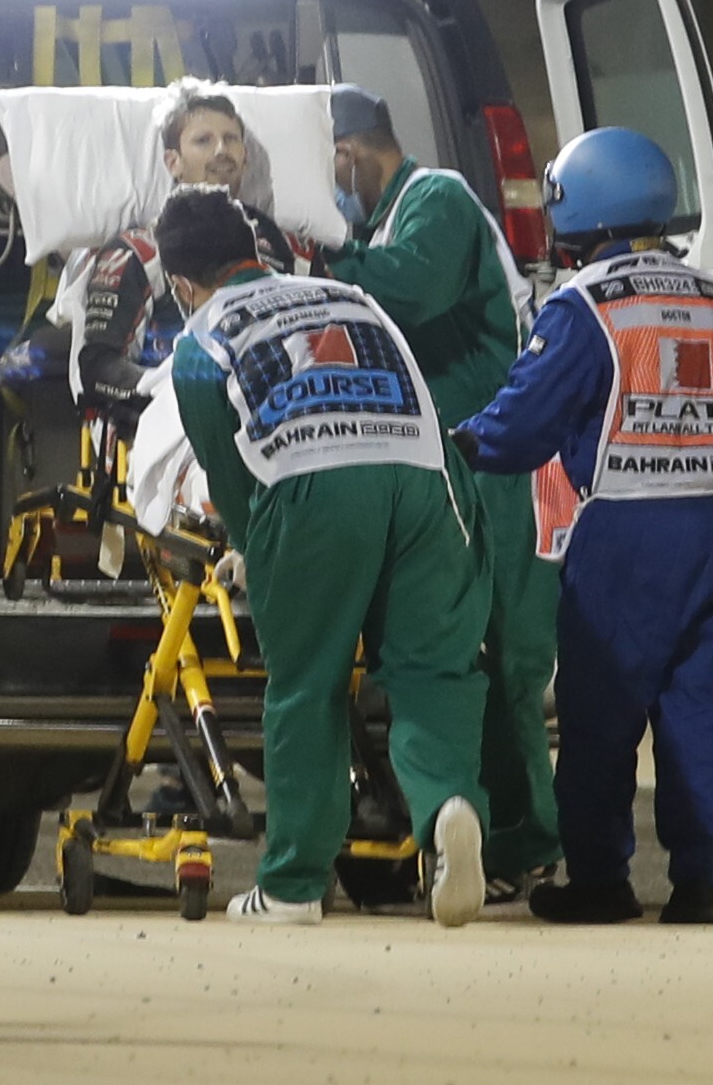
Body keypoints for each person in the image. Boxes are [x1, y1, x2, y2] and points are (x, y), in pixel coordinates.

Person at [454, 128, 713, 925]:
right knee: (698, 709)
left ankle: (600, 879)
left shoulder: (587, 306)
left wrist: (463, 442)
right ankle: (699, 883)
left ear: (576, 212)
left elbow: (521, 423)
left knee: (601, 713)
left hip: (629, 527)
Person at [158, 186, 489, 927]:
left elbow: (231, 474)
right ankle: (449, 807)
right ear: (256, 247)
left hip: (314, 489)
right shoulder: (347, 295)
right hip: (426, 481)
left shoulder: (200, 341)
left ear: (182, 284)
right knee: (433, 673)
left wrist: (253, 549)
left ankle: (295, 883)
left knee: (308, 686)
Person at [319, 84, 561, 900]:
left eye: (332, 170)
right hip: (450, 466)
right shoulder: (381, 221)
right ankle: (484, 836)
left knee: (508, 655)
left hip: (500, 461)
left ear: (350, 152)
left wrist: (320, 258)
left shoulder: (439, 199)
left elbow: (410, 287)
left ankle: (527, 842)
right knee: (462, 651)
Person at [0, 79, 295, 409]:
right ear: (173, 163)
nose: (221, 150)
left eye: (231, 139)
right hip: (180, 420)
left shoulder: (288, 247)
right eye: (204, 140)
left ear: (245, 157)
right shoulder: (137, 251)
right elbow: (99, 367)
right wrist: (174, 395)